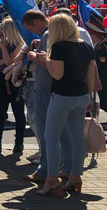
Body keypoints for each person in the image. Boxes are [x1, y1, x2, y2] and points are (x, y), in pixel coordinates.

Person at [37, 14, 96, 196]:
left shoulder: (58, 47)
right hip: (82, 94)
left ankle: (52, 179)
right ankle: (75, 176)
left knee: (51, 136)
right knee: (77, 137)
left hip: (62, 96)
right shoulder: (86, 46)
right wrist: (90, 97)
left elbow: (57, 75)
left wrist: (45, 59)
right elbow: (91, 75)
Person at [22, 10, 52, 183]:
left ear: (35, 22)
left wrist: (34, 56)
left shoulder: (47, 35)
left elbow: (49, 62)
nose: (32, 32)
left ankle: (45, 170)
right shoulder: (54, 35)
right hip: (53, 88)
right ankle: (64, 170)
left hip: (44, 87)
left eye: (31, 28)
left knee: (46, 132)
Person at [0, 17, 28, 154]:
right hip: (2, 81)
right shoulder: (2, 42)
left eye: (3, 28)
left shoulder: (20, 43)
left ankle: (19, 143)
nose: (1, 31)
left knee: (18, 113)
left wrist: (3, 48)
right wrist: (2, 50)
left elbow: (9, 61)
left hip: (15, 81)